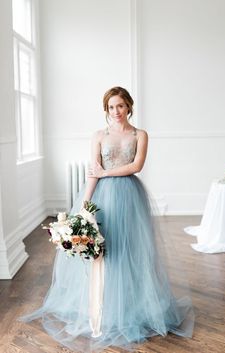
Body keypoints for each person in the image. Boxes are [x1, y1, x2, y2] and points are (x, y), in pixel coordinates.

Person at [20, 87, 194, 352]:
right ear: (106, 110)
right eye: (112, 107)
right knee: (102, 251)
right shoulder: (98, 136)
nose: (116, 112)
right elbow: (93, 171)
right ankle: (100, 308)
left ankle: (132, 304)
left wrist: (105, 173)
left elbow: (136, 166)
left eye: (121, 106)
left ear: (129, 107)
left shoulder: (140, 134)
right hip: (102, 196)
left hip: (129, 196)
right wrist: (85, 206)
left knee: (130, 250)